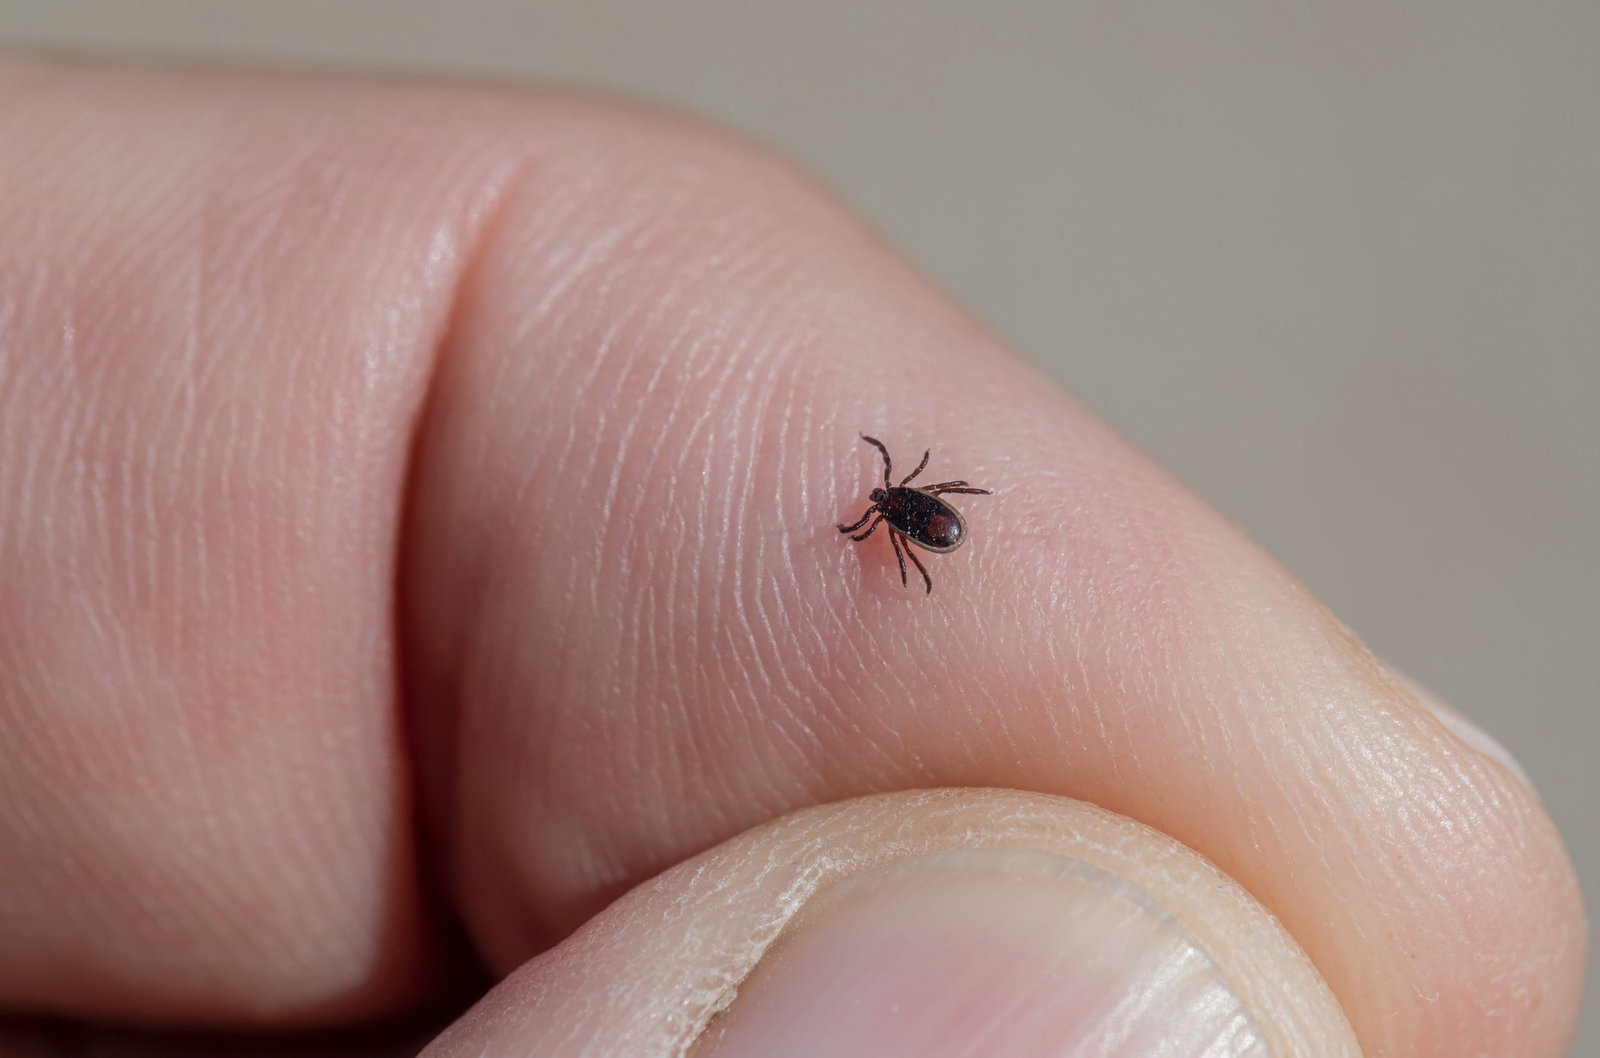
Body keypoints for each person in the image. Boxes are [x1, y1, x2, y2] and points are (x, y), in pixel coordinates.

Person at [0, 58, 1584, 1057]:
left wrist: (898, 526)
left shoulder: (893, 517)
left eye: (899, 512)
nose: (898, 517)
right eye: (897, 514)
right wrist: (911, 532)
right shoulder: (906, 519)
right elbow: (924, 510)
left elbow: (913, 508)